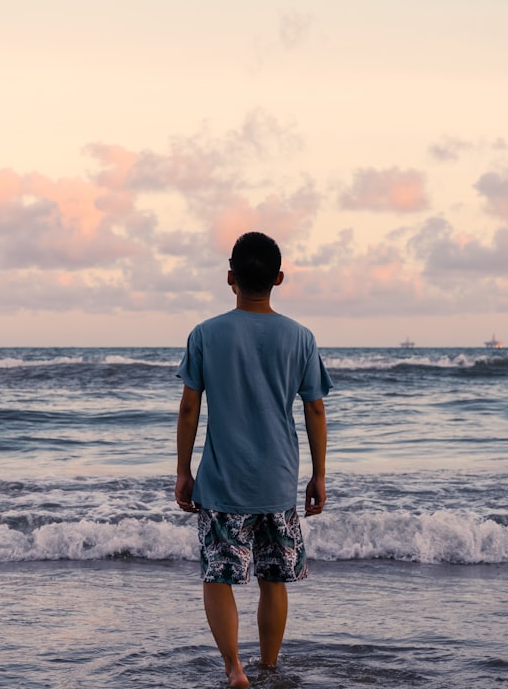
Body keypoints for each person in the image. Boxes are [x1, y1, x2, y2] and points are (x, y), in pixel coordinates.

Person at [175, 231, 332, 689]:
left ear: (231, 278)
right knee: (273, 578)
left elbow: (189, 407)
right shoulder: (301, 337)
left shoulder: (205, 334)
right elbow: (315, 408)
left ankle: (234, 669)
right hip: (278, 479)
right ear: (279, 278)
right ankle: (268, 665)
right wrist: (319, 475)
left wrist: (183, 469)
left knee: (218, 576)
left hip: (223, 481)